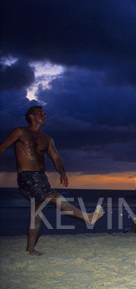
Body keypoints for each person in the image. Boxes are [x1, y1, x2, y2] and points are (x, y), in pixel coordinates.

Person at [0, 106, 104, 255]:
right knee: (54, 196)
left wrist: (62, 172)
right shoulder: (20, 132)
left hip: (41, 178)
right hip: (27, 176)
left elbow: (55, 157)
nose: (44, 115)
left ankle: (30, 249)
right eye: (40, 113)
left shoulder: (46, 139)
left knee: (36, 214)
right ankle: (88, 218)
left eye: (44, 113)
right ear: (31, 116)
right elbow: (3, 146)